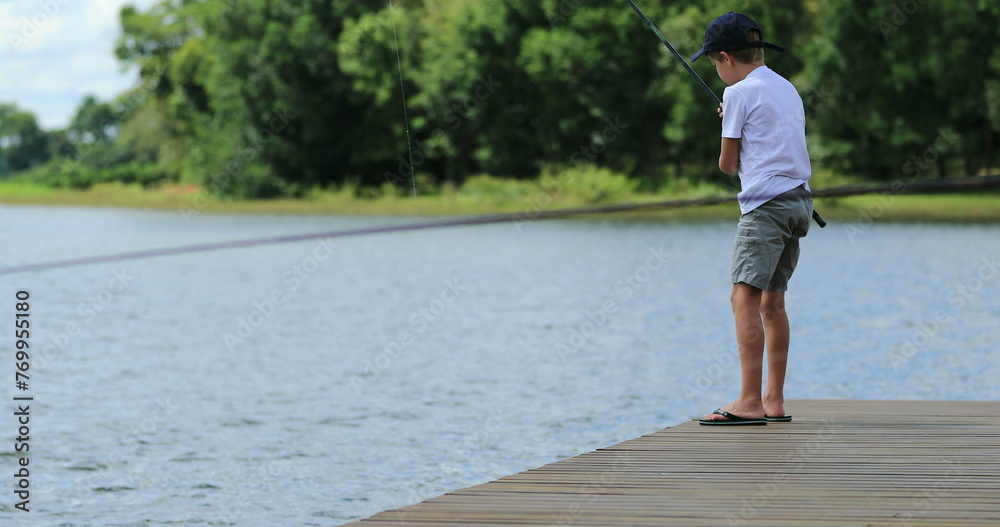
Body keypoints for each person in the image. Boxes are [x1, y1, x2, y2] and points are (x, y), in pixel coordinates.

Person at [690, 12, 813, 425]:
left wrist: (730, 123)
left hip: (765, 208)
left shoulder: (740, 93)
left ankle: (748, 401)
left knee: (743, 297)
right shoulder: (786, 87)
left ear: (725, 58)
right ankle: (773, 400)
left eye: (713, 64)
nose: (718, 72)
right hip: (799, 204)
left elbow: (727, 166)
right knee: (772, 303)